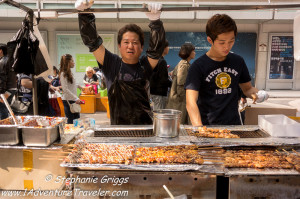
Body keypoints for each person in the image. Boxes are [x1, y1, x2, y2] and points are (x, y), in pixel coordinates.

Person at [76, 1, 166, 125]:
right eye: (126, 42)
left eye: (135, 43)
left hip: (145, 130)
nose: (130, 46)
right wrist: (84, 15)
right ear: (119, 45)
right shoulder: (111, 63)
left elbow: (156, 50)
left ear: (141, 47)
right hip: (118, 131)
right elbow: (92, 42)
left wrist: (156, 22)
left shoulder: (145, 65)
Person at [185, 14, 268, 126]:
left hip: (234, 125)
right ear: (210, 40)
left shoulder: (238, 61)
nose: (227, 47)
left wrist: (255, 94)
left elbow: (247, 88)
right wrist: (199, 129)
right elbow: (190, 102)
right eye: (222, 42)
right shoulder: (198, 66)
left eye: (231, 41)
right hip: (208, 126)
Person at [166, 43, 196, 124]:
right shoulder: (184, 65)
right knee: (180, 123)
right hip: (180, 100)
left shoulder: (182, 63)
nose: (194, 53)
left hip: (179, 98)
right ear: (188, 52)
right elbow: (180, 83)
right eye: (193, 51)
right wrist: (183, 97)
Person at [59, 54, 83, 124]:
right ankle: (70, 134)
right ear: (68, 62)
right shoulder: (63, 73)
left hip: (73, 100)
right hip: (68, 101)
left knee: (75, 120)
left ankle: (75, 134)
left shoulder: (69, 72)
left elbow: (71, 84)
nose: (74, 62)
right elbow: (65, 89)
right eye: (72, 61)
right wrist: (76, 98)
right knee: (70, 122)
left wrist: (80, 87)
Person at [150, 40, 172, 110]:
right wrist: (173, 84)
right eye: (167, 47)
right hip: (159, 92)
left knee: (157, 113)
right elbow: (163, 80)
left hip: (153, 91)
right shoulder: (162, 61)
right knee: (160, 114)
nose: (168, 48)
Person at [0, 43, 17, 119]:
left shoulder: (2, 61)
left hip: (6, 89)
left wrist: (1, 92)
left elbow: (2, 78)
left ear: (0, 51)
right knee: (6, 108)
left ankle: (3, 128)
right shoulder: (11, 60)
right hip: (12, 88)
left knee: (2, 109)